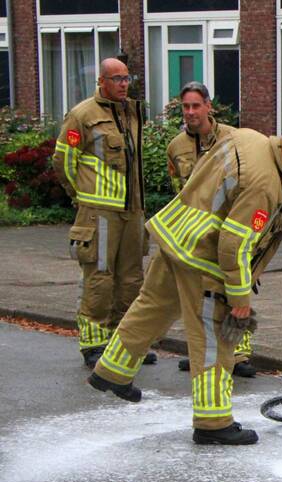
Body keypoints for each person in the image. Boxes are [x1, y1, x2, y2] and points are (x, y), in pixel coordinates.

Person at [87, 121, 282, 446]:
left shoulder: (247, 138)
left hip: (176, 237)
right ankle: (212, 422)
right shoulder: (265, 185)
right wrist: (240, 297)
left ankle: (111, 372)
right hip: (204, 258)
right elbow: (234, 244)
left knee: (150, 308)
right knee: (215, 340)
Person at [52, 58, 155, 369]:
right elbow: (63, 162)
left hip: (132, 212)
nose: (124, 84)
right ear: (102, 81)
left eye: (127, 78)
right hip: (100, 213)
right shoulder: (82, 115)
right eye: (117, 79)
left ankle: (125, 342)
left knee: (132, 280)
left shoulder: (130, 112)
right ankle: (94, 343)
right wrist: (81, 195)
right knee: (100, 279)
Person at [166, 82, 255, 379]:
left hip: (228, 228)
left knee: (234, 291)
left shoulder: (231, 139)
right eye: (186, 107)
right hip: (195, 234)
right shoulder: (176, 147)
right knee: (195, 296)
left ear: (208, 106)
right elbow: (179, 190)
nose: (191, 112)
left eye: (196, 106)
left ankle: (239, 354)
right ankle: (199, 352)